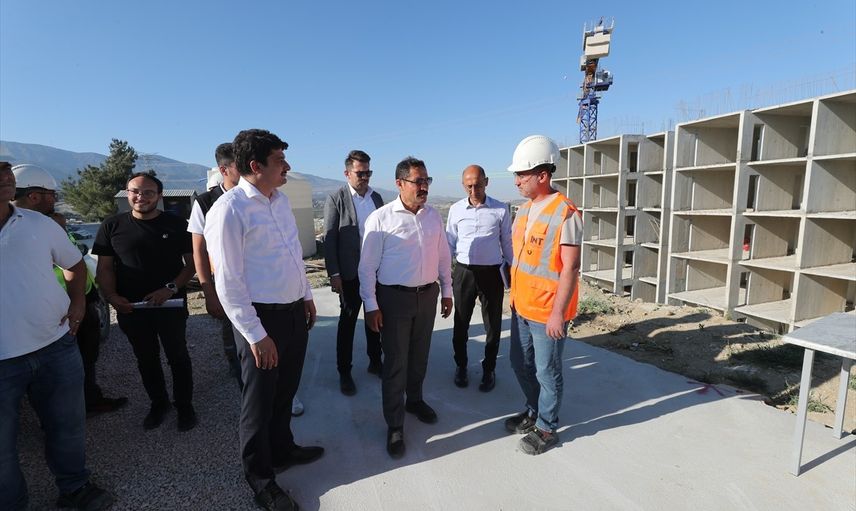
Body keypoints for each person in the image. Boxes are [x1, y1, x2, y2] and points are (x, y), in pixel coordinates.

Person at [204, 129, 322, 511]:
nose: (287, 166)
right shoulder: (229, 210)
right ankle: (260, 478)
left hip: (292, 312)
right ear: (255, 166)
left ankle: (283, 449)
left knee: (285, 391)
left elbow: (293, 255)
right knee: (258, 403)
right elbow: (228, 282)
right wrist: (255, 334)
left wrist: (306, 296)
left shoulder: (280, 201)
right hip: (261, 320)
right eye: (279, 160)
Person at [0, 161, 115, 511]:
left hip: (55, 347)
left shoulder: (39, 224)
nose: (5, 176)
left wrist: (78, 302)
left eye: (5, 170)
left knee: (67, 427)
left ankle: (75, 487)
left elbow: (74, 265)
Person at [11, 164, 127, 416]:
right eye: (52, 195)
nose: (55, 200)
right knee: (71, 364)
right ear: (34, 196)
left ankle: (84, 402)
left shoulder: (46, 224)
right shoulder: (31, 230)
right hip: (61, 309)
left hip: (74, 303)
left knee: (82, 360)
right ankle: (73, 410)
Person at [359, 156, 453, 459]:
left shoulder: (433, 216)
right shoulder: (381, 219)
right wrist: (371, 305)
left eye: (426, 180)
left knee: (419, 356)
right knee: (396, 362)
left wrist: (447, 291)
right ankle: (395, 423)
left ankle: (415, 400)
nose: (424, 186)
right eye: (418, 181)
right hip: (394, 299)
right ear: (400, 183)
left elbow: (443, 256)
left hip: (427, 296)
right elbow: (366, 268)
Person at [93, 172, 198, 432]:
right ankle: (159, 404)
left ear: (159, 196)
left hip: (170, 306)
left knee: (178, 356)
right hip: (132, 309)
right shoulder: (111, 226)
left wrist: (169, 289)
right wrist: (112, 297)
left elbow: (192, 264)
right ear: (127, 193)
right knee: (146, 359)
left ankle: (185, 406)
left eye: (148, 192)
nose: (141, 197)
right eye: (135, 191)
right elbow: (104, 269)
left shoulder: (177, 224)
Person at [503, 135, 582, 456]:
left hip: (548, 311)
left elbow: (570, 267)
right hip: (521, 306)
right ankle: (534, 411)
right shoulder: (523, 211)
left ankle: (547, 428)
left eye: (522, 175)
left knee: (547, 372)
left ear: (543, 175)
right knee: (519, 363)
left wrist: (557, 314)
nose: (517, 181)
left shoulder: (566, 213)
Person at [445, 164, 512, 392]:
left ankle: (489, 369)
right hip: (464, 273)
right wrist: (443, 272)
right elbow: (449, 242)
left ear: (486, 182)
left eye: (478, 185)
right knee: (460, 323)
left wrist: (513, 270)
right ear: (463, 185)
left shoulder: (500, 209)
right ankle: (461, 366)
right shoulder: (456, 210)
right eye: (469, 186)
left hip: (492, 273)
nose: (473, 191)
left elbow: (507, 242)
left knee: (493, 325)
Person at [323, 149, 384, 396]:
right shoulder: (336, 198)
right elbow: (329, 239)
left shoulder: (376, 198)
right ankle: (344, 372)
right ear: (347, 173)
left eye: (368, 172)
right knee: (348, 322)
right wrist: (334, 273)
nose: (365, 177)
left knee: (375, 317)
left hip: (375, 271)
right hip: (349, 273)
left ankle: (375, 361)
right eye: (360, 173)